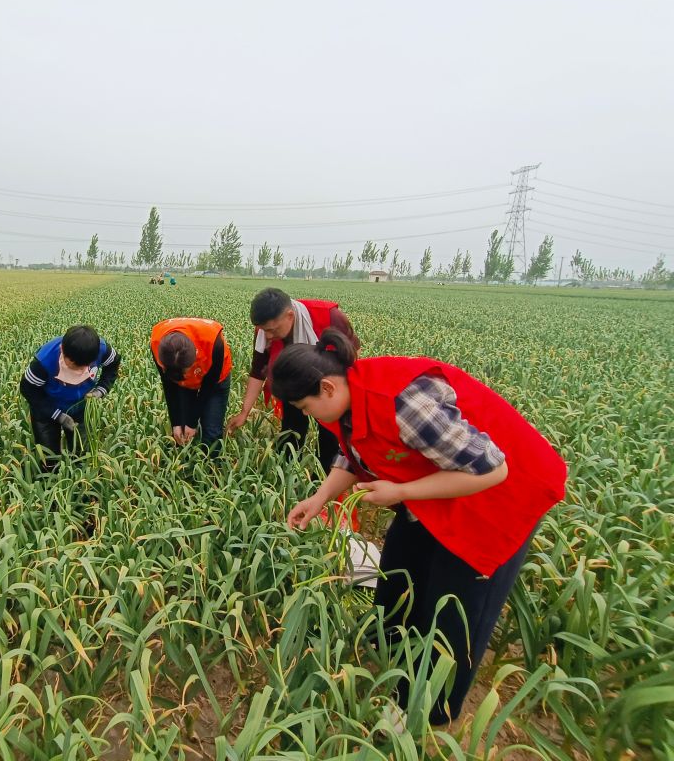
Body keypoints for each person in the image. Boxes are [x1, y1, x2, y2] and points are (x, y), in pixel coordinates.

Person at [271, 328, 567, 725]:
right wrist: (319, 497)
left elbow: (492, 470)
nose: (307, 415)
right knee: (400, 572)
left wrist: (401, 491)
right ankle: (390, 658)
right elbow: (351, 449)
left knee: (455, 609)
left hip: (498, 495)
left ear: (326, 387)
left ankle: (428, 710)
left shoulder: (402, 403)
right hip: (435, 485)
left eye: (305, 408)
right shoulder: (344, 399)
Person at [226, 288, 359, 473]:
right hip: (293, 383)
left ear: (290, 315)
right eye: (264, 330)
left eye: (272, 330)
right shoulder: (264, 329)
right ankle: (288, 472)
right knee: (291, 428)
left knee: (330, 435)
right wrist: (244, 412)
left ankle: (323, 477)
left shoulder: (329, 316)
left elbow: (352, 357)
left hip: (328, 388)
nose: (268, 336)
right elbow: (257, 371)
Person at [20, 325, 120, 467]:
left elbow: (113, 364)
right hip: (46, 409)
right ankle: (50, 473)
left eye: (83, 367)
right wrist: (57, 415)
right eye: (74, 366)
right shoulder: (44, 361)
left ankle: (79, 474)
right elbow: (29, 390)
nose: (79, 371)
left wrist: (101, 389)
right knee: (48, 454)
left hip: (80, 406)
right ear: (62, 350)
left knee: (81, 450)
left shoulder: (101, 349)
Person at [150, 317, 232, 451]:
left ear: (194, 358)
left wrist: (192, 423)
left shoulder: (213, 342)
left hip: (215, 381)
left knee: (211, 431)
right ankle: (184, 460)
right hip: (184, 383)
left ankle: (212, 461)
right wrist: (176, 423)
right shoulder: (157, 344)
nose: (185, 377)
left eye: (185, 372)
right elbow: (169, 386)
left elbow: (207, 389)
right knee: (181, 430)